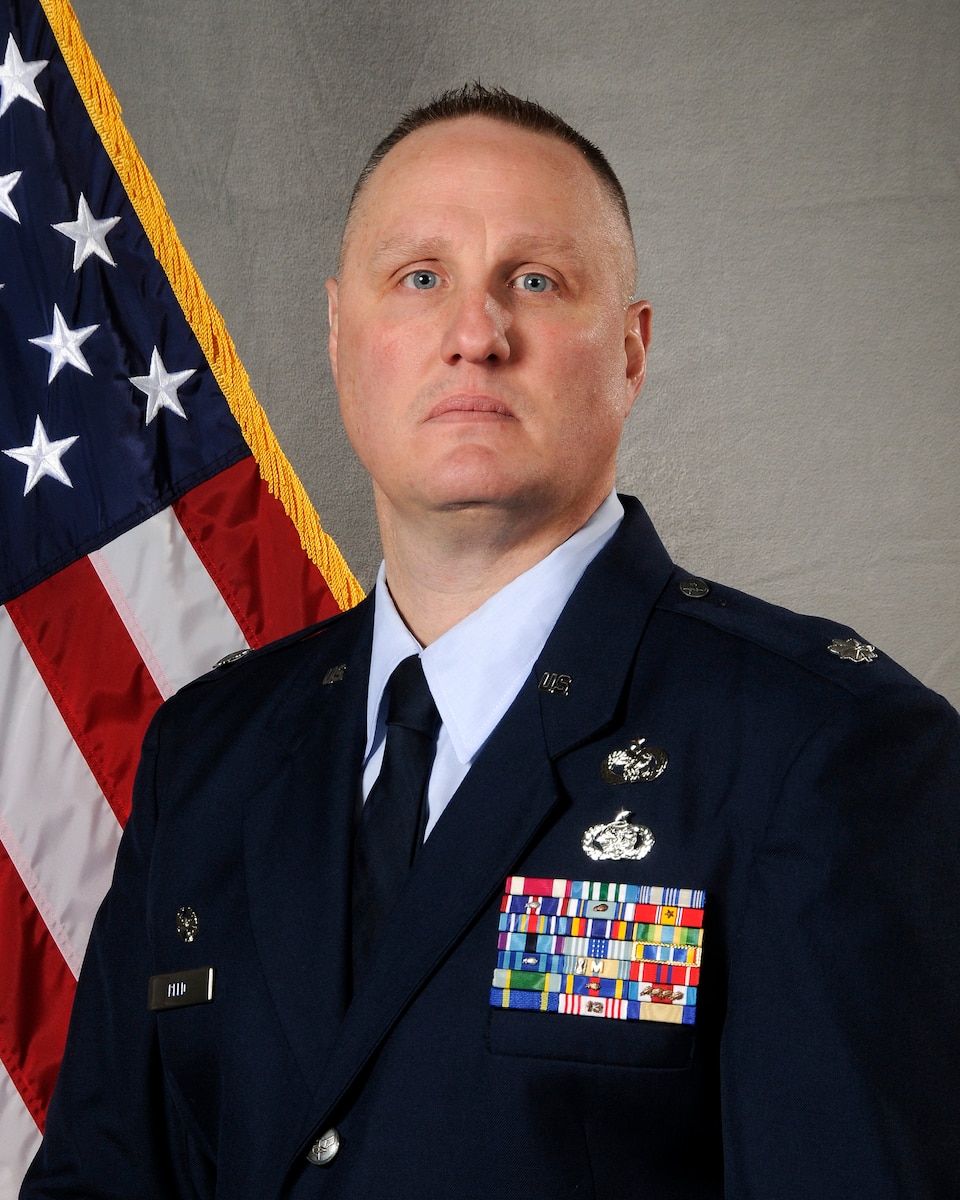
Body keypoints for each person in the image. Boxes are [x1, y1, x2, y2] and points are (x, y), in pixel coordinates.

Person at [22, 83, 960, 1199]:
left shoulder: (823, 751)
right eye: (421, 278)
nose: (475, 335)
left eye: (535, 280)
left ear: (632, 349)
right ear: (338, 336)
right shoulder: (211, 753)